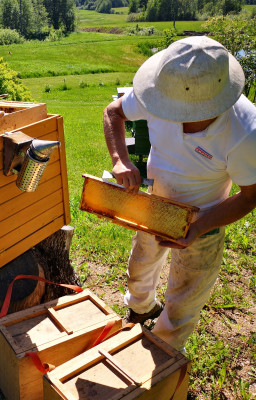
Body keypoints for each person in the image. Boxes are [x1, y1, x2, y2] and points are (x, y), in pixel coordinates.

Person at [103, 36, 256, 352]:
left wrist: (198, 226)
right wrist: (120, 159)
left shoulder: (245, 132)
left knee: (185, 298)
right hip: (155, 203)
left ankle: (164, 355)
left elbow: (251, 195)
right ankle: (142, 308)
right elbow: (113, 112)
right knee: (139, 268)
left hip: (205, 218)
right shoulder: (163, 91)